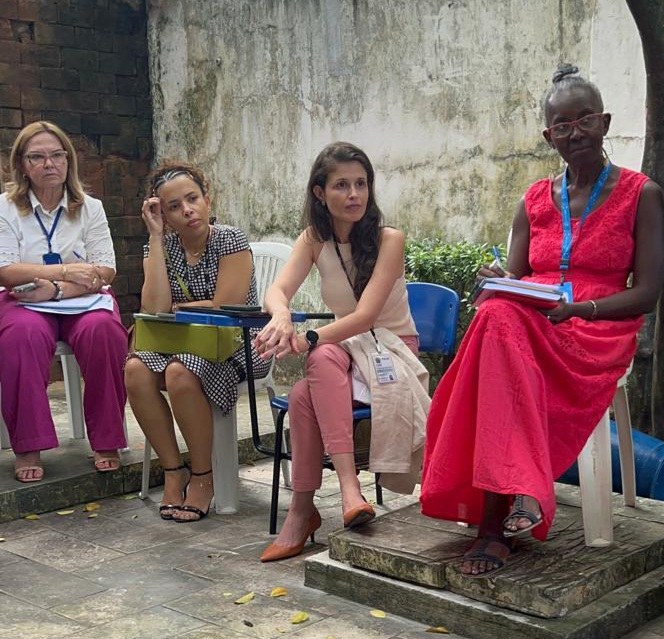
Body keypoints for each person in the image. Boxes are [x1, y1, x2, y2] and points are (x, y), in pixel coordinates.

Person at [420, 65, 664, 576]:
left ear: (605, 122)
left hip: (598, 327)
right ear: (547, 135)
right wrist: (495, 279)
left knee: (497, 323)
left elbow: (646, 293)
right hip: (533, 321)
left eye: (585, 120)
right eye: (562, 125)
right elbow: (514, 279)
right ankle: (515, 495)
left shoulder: (641, 194)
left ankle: (498, 515)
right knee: (495, 312)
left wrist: (580, 309)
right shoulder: (532, 200)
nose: (575, 133)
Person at [255, 142, 427, 562]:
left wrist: (308, 337)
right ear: (320, 193)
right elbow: (277, 290)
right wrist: (280, 317)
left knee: (306, 384)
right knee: (317, 369)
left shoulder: (390, 239)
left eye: (361, 184)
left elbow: (367, 316)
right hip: (343, 353)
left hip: (390, 348)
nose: (354, 195)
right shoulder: (314, 239)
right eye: (342, 185)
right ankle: (343, 496)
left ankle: (307, 509)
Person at [124, 161, 269, 522]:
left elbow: (226, 305)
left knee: (178, 372)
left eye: (192, 199)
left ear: (207, 199)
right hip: (180, 341)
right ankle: (175, 471)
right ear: (164, 215)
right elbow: (154, 307)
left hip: (236, 341)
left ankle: (204, 476)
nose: (186, 210)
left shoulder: (229, 238)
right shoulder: (159, 247)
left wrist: (181, 305)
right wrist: (155, 237)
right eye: (174, 206)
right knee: (135, 370)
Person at [0, 121, 128, 482]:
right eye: (37, 157)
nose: (48, 164)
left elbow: (106, 268)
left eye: (57, 155)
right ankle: (28, 444)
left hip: (81, 299)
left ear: (68, 161)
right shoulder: (5, 208)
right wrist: (68, 272)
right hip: (23, 300)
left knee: (105, 332)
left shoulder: (90, 208)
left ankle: (106, 439)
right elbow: (6, 270)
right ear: (22, 165)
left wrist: (57, 289)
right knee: (20, 336)